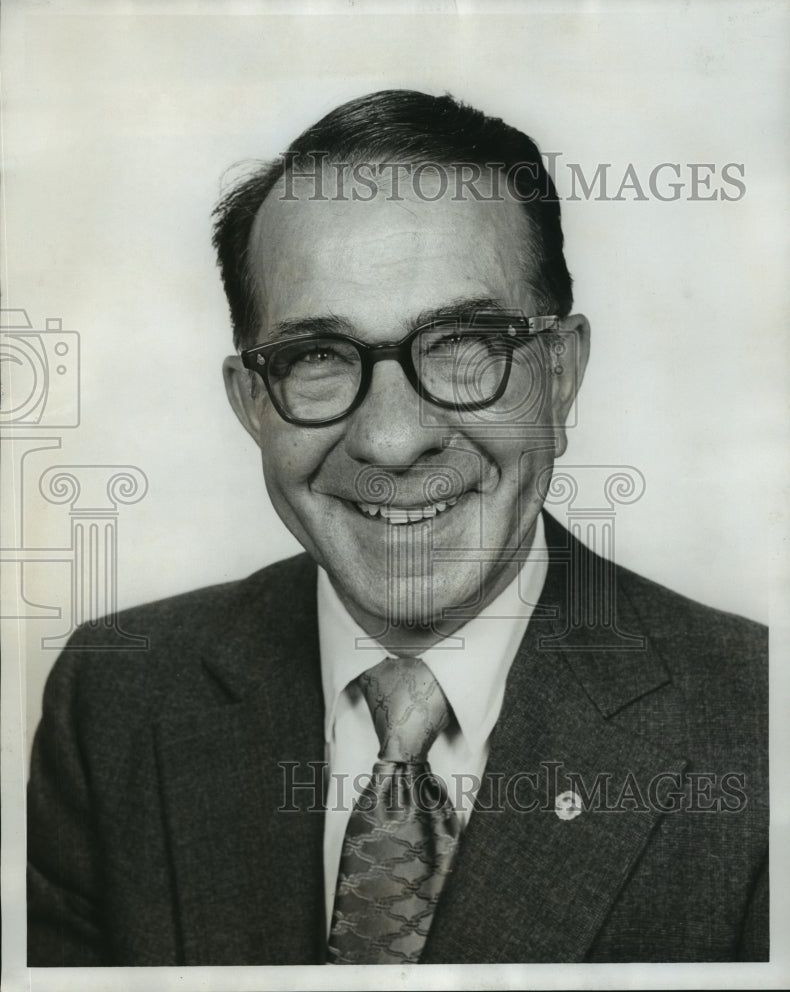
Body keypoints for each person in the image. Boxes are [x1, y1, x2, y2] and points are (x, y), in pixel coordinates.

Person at [27, 90, 768, 966]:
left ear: (561, 377)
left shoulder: (756, 721)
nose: (391, 438)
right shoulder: (116, 698)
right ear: (250, 403)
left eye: (463, 344)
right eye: (317, 357)